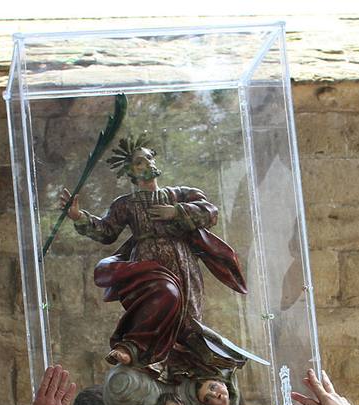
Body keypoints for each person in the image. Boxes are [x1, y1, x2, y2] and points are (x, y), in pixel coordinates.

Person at [59, 136, 249, 379]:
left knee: (188, 318)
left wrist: (178, 211)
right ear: (130, 171)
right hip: (147, 267)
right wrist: (79, 217)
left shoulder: (179, 194)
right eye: (139, 162)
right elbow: (106, 231)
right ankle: (139, 354)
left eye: (149, 157)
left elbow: (210, 213)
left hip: (183, 262)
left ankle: (183, 369)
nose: (147, 163)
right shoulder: (126, 204)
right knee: (158, 305)